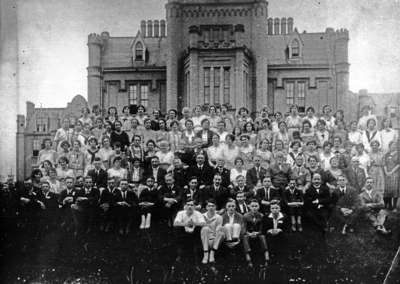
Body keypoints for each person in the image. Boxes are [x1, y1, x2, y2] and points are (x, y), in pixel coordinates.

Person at [243, 199, 269, 267]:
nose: (254, 208)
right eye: (252, 206)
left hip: (258, 233)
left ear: (259, 207)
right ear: (249, 207)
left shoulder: (261, 215)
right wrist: (249, 233)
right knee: (245, 237)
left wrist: (257, 233)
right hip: (249, 233)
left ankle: (266, 253)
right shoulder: (245, 216)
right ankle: (247, 254)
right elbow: (244, 228)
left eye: (256, 206)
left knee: (262, 237)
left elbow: (262, 228)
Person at [200, 199, 223, 264]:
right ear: (206, 207)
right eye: (209, 206)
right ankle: (206, 254)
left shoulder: (219, 217)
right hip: (205, 239)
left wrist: (214, 238)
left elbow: (218, 230)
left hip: (215, 240)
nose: (211, 207)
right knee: (205, 228)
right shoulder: (202, 216)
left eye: (213, 206)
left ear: (215, 207)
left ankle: (212, 252)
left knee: (221, 232)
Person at [383, 143, 399, 211]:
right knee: (388, 190)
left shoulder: (398, 154)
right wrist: (386, 172)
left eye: (395, 145)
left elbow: (399, 164)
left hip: (395, 173)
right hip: (387, 174)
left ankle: (395, 206)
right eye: (392, 145)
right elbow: (384, 164)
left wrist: (391, 172)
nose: (393, 146)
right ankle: (390, 205)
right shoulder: (387, 154)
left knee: (395, 190)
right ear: (389, 146)